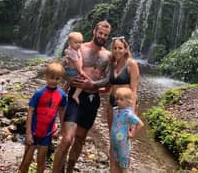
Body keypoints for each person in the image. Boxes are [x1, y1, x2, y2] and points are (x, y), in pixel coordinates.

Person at [52, 20, 112, 173]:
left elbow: (107, 78)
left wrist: (93, 85)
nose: (102, 36)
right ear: (94, 32)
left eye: (105, 35)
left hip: (92, 99)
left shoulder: (108, 55)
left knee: (80, 139)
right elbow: (64, 68)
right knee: (67, 139)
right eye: (100, 33)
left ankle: (70, 168)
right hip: (74, 96)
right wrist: (70, 80)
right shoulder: (79, 47)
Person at [19, 62, 67, 173]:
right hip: (34, 132)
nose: (54, 81)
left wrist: (61, 128)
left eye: (57, 79)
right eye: (51, 78)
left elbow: (62, 110)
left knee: (41, 162)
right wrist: (28, 132)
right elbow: (30, 111)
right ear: (45, 77)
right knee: (26, 161)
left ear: (61, 79)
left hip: (47, 134)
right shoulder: (39, 93)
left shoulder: (62, 95)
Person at [107, 36, 140, 172]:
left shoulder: (131, 64)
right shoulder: (113, 64)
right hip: (112, 104)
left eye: (120, 48)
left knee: (124, 142)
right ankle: (112, 169)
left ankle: (123, 169)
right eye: (115, 48)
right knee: (113, 138)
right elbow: (108, 85)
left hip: (125, 107)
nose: (117, 50)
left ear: (126, 49)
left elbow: (134, 90)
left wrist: (131, 114)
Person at [110, 87, 144, 173]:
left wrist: (132, 134)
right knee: (116, 163)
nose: (118, 101)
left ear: (128, 101)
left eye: (121, 99)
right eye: (117, 98)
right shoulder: (116, 110)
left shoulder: (128, 114)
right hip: (115, 143)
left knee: (124, 166)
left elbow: (140, 124)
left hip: (123, 145)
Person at [62, 31, 85, 104]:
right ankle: (75, 95)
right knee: (83, 82)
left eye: (80, 42)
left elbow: (66, 58)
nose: (78, 44)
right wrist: (81, 71)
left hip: (68, 70)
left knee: (67, 83)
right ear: (69, 43)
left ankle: (63, 93)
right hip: (73, 71)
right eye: (76, 42)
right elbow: (76, 63)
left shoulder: (70, 49)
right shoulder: (73, 52)